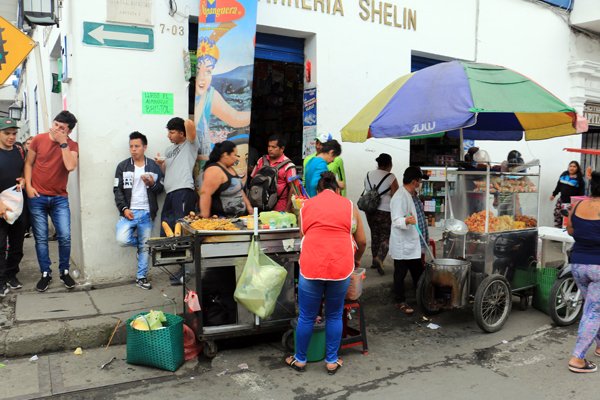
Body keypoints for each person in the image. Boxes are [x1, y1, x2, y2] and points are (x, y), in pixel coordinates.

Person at [285, 172, 366, 374]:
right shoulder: (349, 206)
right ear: (336, 189)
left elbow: (303, 233)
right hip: (341, 266)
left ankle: (300, 359)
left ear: (318, 190)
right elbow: (362, 241)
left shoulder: (306, 206)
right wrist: (356, 258)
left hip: (312, 266)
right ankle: (331, 361)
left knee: (306, 316)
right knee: (334, 314)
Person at [24, 111, 79, 292]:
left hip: (59, 198)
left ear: (68, 131)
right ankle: (45, 274)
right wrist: (29, 188)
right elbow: (29, 163)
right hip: (38, 197)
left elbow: (70, 166)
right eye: (56, 124)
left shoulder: (71, 145)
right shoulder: (39, 139)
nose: (57, 129)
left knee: (64, 236)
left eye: (62, 128)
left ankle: (64, 271)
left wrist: (63, 142)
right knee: (41, 238)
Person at [113, 132, 164, 290]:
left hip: (147, 212)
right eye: (131, 146)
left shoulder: (153, 166)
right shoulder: (123, 166)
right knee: (122, 239)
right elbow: (117, 190)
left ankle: (141, 277)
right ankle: (144, 247)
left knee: (144, 246)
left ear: (144, 147)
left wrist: (151, 184)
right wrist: (124, 208)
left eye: (137, 146)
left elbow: (161, 187)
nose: (133, 149)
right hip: (130, 212)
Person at [194, 36, 251, 160]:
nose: (202, 77)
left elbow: (235, 117)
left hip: (205, 159)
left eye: (208, 72)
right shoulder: (202, 96)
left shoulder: (210, 94)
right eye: (199, 71)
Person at [566, 172, 600, 373]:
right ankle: (577, 359)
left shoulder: (578, 205)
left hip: (578, 265)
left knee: (593, 309)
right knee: (594, 311)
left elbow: (570, 230)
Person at [390, 166, 429, 315]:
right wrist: (406, 220)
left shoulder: (412, 194)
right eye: (419, 181)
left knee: (418, 271)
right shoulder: (400, 197)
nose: (420, 184)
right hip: (403, 244)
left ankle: (422, 297)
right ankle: (400, 301)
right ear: (414, 181)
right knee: (400, 273)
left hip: (413, 242)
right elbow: (396, 220)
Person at [155, 117, 198, 236]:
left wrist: (181, 123)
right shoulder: (168, 150)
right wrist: (161, 164)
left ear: (182, 133)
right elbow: (166, 171)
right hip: (169, 193)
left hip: (183, 190)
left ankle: (184, 254)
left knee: (182, 227)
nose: (168, 135)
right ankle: (168, 252)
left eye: (172, 132)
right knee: (167, 228)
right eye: (168, 132)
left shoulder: (190, 144)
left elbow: (189, 124)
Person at [0, 119, 26, 296]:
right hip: (1, 205)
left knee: (17, 243)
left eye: (14, 133)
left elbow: (23, 171)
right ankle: (1, 281)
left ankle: (11, 274)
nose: (11, 137)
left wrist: (23, 179)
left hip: (17, 204)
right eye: (7, 133)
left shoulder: (18, 151)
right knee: (0, 246)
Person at [363, 153, 399, 276]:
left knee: (375, 234)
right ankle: (380, 257)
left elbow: (368, 190)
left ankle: (374, 260)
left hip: (370, 210)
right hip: (385, 211)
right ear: (389, 164)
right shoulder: (391, 177)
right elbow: (396, 195)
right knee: (386, 236)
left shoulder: (368, 174)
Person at [200, 140, 252, 218]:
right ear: (225, 155)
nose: (236, 158)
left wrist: (249, 206)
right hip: (222, 220)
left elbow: (239, 190)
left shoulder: (230, 168)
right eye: (235, 155)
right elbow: (205, 194)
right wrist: (205, 217)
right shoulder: (214, 170)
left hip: (238, 219)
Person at [249, 134, 297, 212]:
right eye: (269, 146)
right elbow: (252, 180)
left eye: (274, 147)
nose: (270, 149)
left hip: (279, 208)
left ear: (282, 149)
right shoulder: (261, 160)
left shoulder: (289, 166)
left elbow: (293, 189)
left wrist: (287, 209)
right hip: (259, 206)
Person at [550, 161, 585, 228]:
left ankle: (566, 232)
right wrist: (554, 194)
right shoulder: (564, 175)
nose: (572, 168)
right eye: (570, 166)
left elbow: (581, 193)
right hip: (561, 200)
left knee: (567, 218)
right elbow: (559, 185)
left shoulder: (579, 178)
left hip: (571, 202)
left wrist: (578, 203)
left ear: (577, 168)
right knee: (557, 215)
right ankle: (557, 230)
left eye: (574, 166)